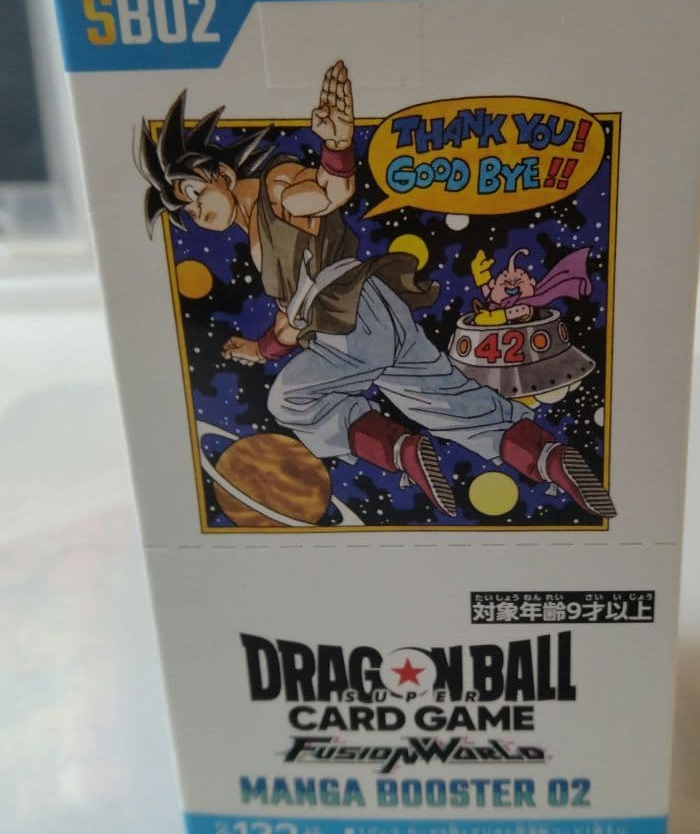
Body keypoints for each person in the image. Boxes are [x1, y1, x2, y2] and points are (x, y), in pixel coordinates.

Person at [138, 62, 616, 520]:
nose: (195, 212)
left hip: (350, 319)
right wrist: (260, 350)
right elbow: (293, 320)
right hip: (374, 311)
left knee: (290, 400)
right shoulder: (256, 234)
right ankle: (550, 458)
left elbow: (327, 194)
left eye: (194, 194)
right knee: (450, 403)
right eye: (186, 209)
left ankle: (398, 448)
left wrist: (337, 147)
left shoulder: (276, 188)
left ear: (221, 175)